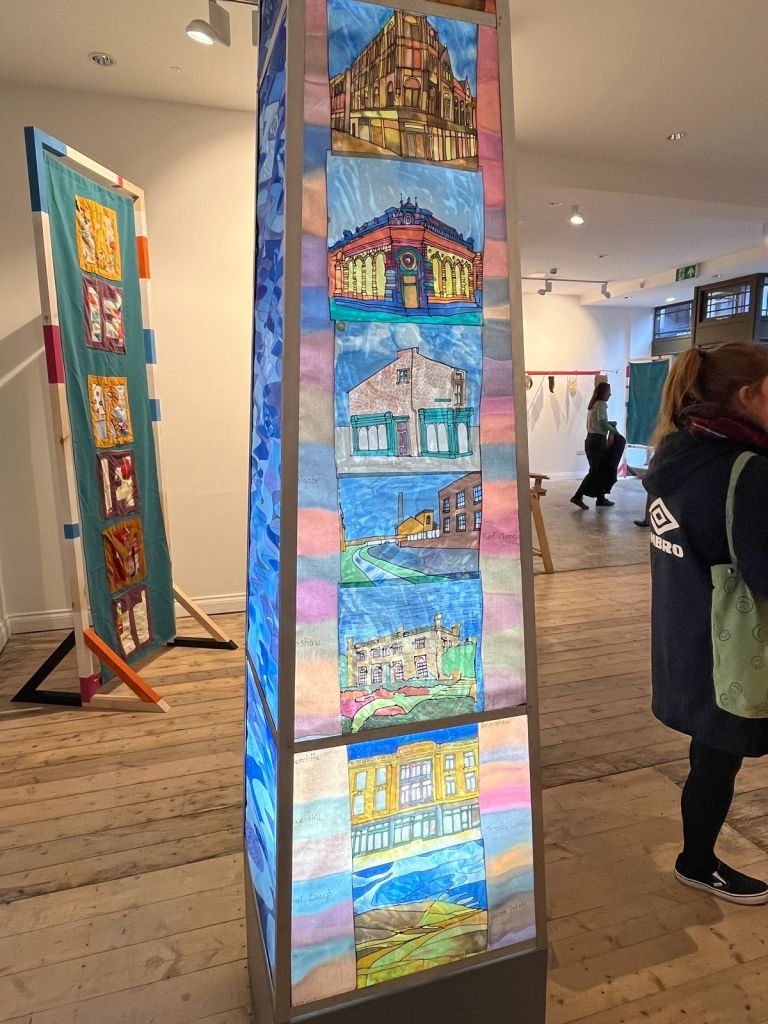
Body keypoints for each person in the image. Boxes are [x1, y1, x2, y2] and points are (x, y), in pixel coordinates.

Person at [644, 341, 768, 904]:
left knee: (711, 755)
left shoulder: (676, 456)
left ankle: (697, 858)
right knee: (718, 759)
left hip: (687, 634)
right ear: (747, 395)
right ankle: (697, 861)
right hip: (734, 651)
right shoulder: (746, 471)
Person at [570, 382, 625, 509]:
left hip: (591, 440)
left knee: (600, 470)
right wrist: (615, 431)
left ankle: (600, 498)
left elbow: (598, 422)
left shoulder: (593, 404)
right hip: (597, 441)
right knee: (596, 471)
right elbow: (602, 423)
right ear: (603, 392)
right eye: (608, 392)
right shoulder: (601, 404)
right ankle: (577, 496)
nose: (610, 394)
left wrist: (610, 424)